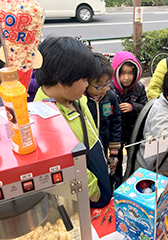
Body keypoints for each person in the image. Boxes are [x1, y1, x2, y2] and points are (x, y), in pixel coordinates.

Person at [34, 36, 112, 208]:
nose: (87, 85)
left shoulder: (75, 98)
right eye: (84, 80)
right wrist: (92, 190)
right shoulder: (45, 120)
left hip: (96, 161)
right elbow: (64, 164)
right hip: (85, 190)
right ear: (63, 82)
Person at [85, 52, 122, 191]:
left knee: (107, 176)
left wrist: (113, 154)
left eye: (108, 82)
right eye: (99, 85)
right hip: (89, 150)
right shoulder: (81, 100)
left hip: (105, 145)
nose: (106, 88)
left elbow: (116, 123)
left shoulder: (110, 97)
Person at [110, 51, 147, 178]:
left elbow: (145, 108)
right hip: (116, 135)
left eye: (130, 73)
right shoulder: (110, 90)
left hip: (133, 133)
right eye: (122, 73)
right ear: (116, 72)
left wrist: (133, 107)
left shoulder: (139, 88)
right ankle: (117, 182)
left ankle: (130, 179)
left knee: (133, 158)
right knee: (116, 162)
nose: (126, 77)